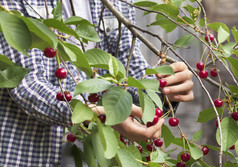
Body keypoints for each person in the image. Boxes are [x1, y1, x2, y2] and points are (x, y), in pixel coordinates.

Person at [0, 0, 194, 166]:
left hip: (94, 153)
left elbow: (128, 66)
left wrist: (161, 92)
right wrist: (91, 113)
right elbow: (25, 82)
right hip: (28, 153)